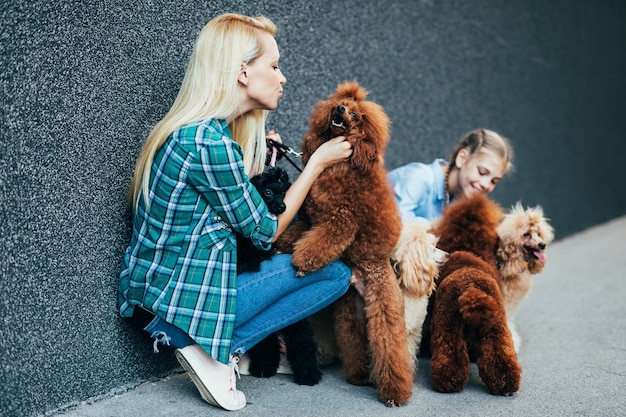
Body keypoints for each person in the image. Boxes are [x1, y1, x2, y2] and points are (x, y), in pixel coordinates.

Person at [117, 13, 353, 411]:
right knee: (335, 274)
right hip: (181, 305)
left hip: (154, 296)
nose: (283, 78)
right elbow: (264, 232)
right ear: (243, 72)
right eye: (274, 66)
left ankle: (218, 346)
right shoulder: (211, 144)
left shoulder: (197, 134)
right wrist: (316, 164)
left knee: (328, 268)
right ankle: (218, 350)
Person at [389, 128, 514, 222]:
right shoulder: (419, 178)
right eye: (482, 172)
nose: (486, 185)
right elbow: (393, 221)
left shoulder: (460, 202)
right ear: (462, 158)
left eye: (494, 181)